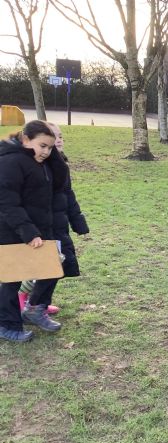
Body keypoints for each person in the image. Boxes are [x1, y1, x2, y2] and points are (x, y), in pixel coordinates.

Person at [0, 120, 68, 342]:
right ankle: (7, 324)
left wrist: (53, 155)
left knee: (52, 268)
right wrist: (27, 232)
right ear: (25, 139)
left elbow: (59, 182)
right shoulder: (10, 162)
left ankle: (34, 309)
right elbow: (7, 202)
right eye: (42, 146)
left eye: (50, 147)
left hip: (40, 229)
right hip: (13, 232)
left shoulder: (40, 161)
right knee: (11, 280)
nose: (46, 152)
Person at [19, 122, 89, 320]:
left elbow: (68, 194)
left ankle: (37, 304)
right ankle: (26, 303)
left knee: (57, 266)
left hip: (58, 224)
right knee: (42, 267)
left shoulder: (60, 165)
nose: (58, 140)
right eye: (53, 137)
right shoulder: (35, 164)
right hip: (40, 227)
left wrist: (78, 221)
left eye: (60, 136)